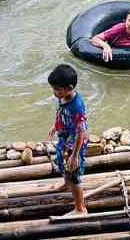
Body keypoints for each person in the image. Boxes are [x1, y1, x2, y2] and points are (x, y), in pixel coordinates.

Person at [47, 64, 88, 217]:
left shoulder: (77, 106)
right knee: (61, 161)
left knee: (74, 173)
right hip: (64, 137)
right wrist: (55, 125)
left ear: (69, 87)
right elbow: (62, 113)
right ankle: (65, 184)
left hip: (75, 142)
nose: (54, 92)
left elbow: (81, 131)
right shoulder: (63, 97)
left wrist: (75, 155)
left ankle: (80, 209)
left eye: (57, 89)